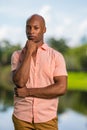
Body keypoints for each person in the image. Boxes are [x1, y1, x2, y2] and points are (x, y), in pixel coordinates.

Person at [11, 14, 68, 130]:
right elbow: (20, 83)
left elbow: (61, 88)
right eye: (28, 27)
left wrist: (28, 92)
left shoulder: (56, 56)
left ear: (44, 30)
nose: (31, 31)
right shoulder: (17, 55)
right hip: (21, 119)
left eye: (36, 28)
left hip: (47, 119)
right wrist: (28, 52)